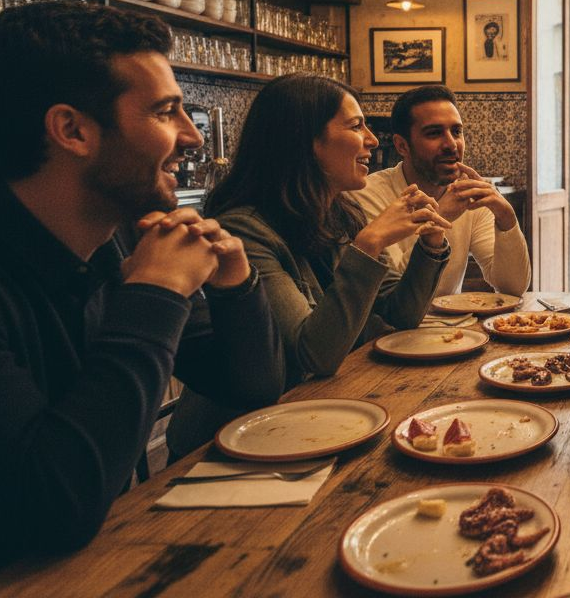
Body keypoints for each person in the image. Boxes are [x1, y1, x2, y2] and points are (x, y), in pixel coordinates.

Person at [0, 1, 282, 590]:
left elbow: (252, 388)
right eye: (165, 112)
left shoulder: (113, 242)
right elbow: (53, 504)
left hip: (111, 556)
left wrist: (236, 284)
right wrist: (156, 294)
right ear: (73, 131)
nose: (190, 137)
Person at [166, 75, 452, 456]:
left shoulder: (338, 213)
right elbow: (314, 354)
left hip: (318, 421)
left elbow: (402, 314)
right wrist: (368, 245)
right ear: (305, 142)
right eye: (356, 126)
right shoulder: (245, 231)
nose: (371, 139)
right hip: (231, 449)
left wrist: (431, 245)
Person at [347, 85, 529, 297]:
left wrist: (506, 216)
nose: (451, 144)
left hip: (455, 330)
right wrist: (439, 217)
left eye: (457, 131)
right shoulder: (366, 195)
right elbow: (393, 297)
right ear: (402, 146)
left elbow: (512, 288)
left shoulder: (470, 195)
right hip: (390, 330)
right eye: (434, 133)